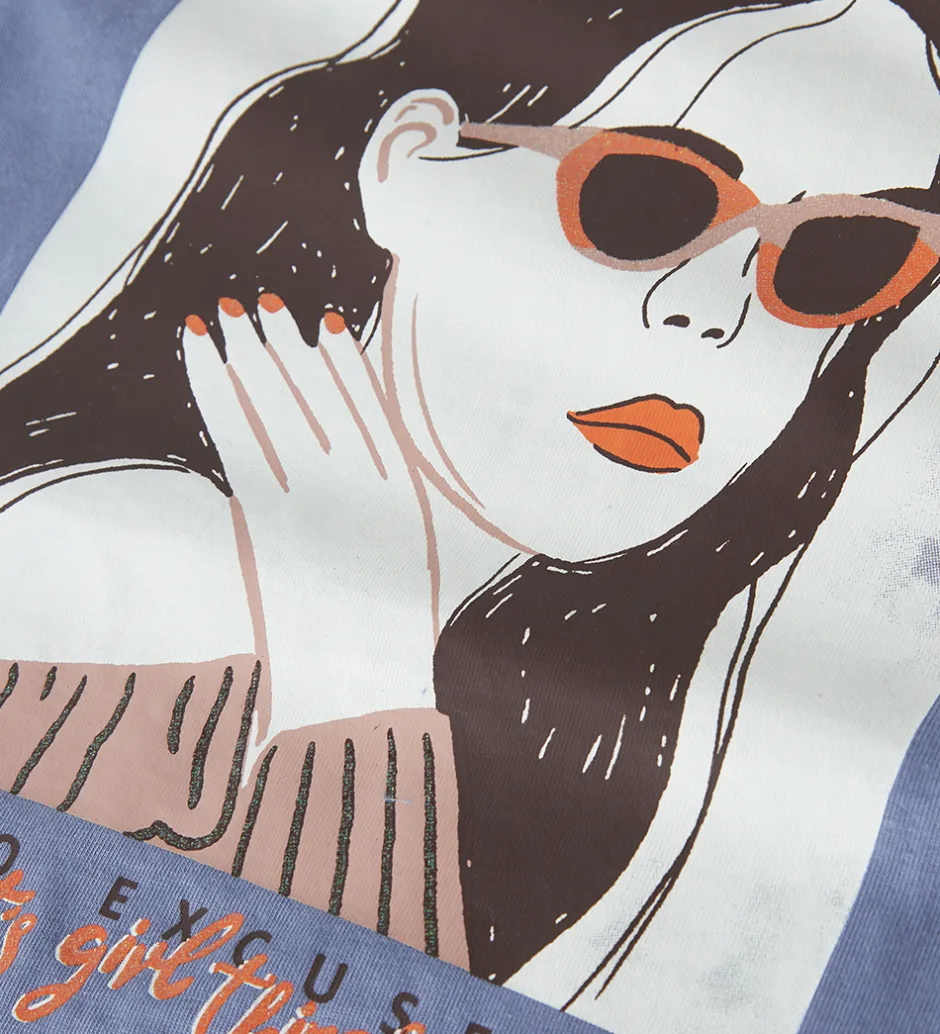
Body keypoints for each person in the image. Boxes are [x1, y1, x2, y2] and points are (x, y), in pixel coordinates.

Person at [0, 0, 939, 1028]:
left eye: (841, 260)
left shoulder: (583, 728)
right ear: (407, 158)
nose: (715, 315)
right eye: (645, 200)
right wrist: (356, 674)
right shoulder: (98, 555)